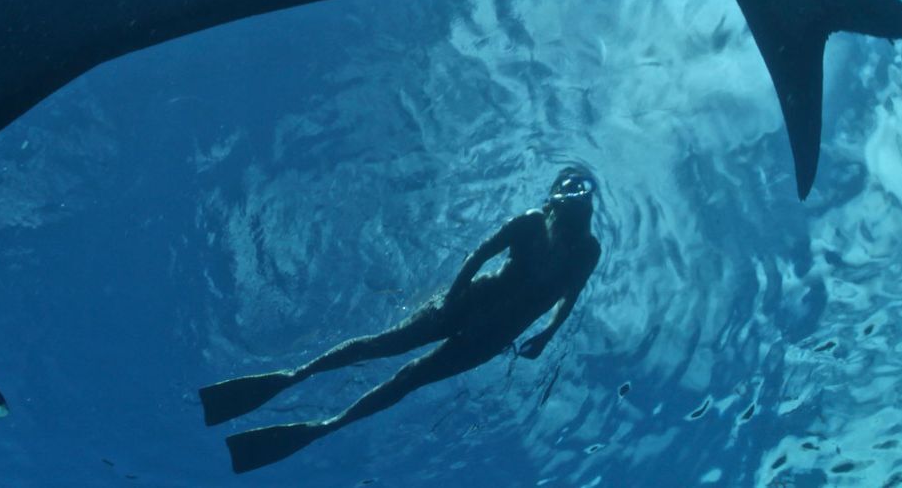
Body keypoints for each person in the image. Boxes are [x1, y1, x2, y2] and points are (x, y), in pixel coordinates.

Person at [200, 167, 602, 474]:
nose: (576, 193)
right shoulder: (530, 222)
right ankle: (295, 375)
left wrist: (547, 336)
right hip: (468, 303)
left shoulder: (587, 252)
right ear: (553, 197)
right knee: (385, 345)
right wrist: (453, 298)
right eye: (568, 185)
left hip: (491, 338)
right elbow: (477, 257)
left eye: (583, 189)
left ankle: (327, 425)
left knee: (410, 378)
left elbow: (570, 297)